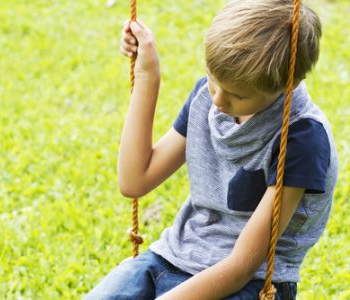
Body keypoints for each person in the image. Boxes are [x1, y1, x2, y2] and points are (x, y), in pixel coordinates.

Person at [85, 0, 338, 299]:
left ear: (291, 83)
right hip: (171, 258)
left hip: (251, 282)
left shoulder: (300, 136)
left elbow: (242, 265)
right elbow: (135, 180)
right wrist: (147, 77)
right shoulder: (207, 97)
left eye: (237, 95)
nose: (217, 100)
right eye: (213, 80)